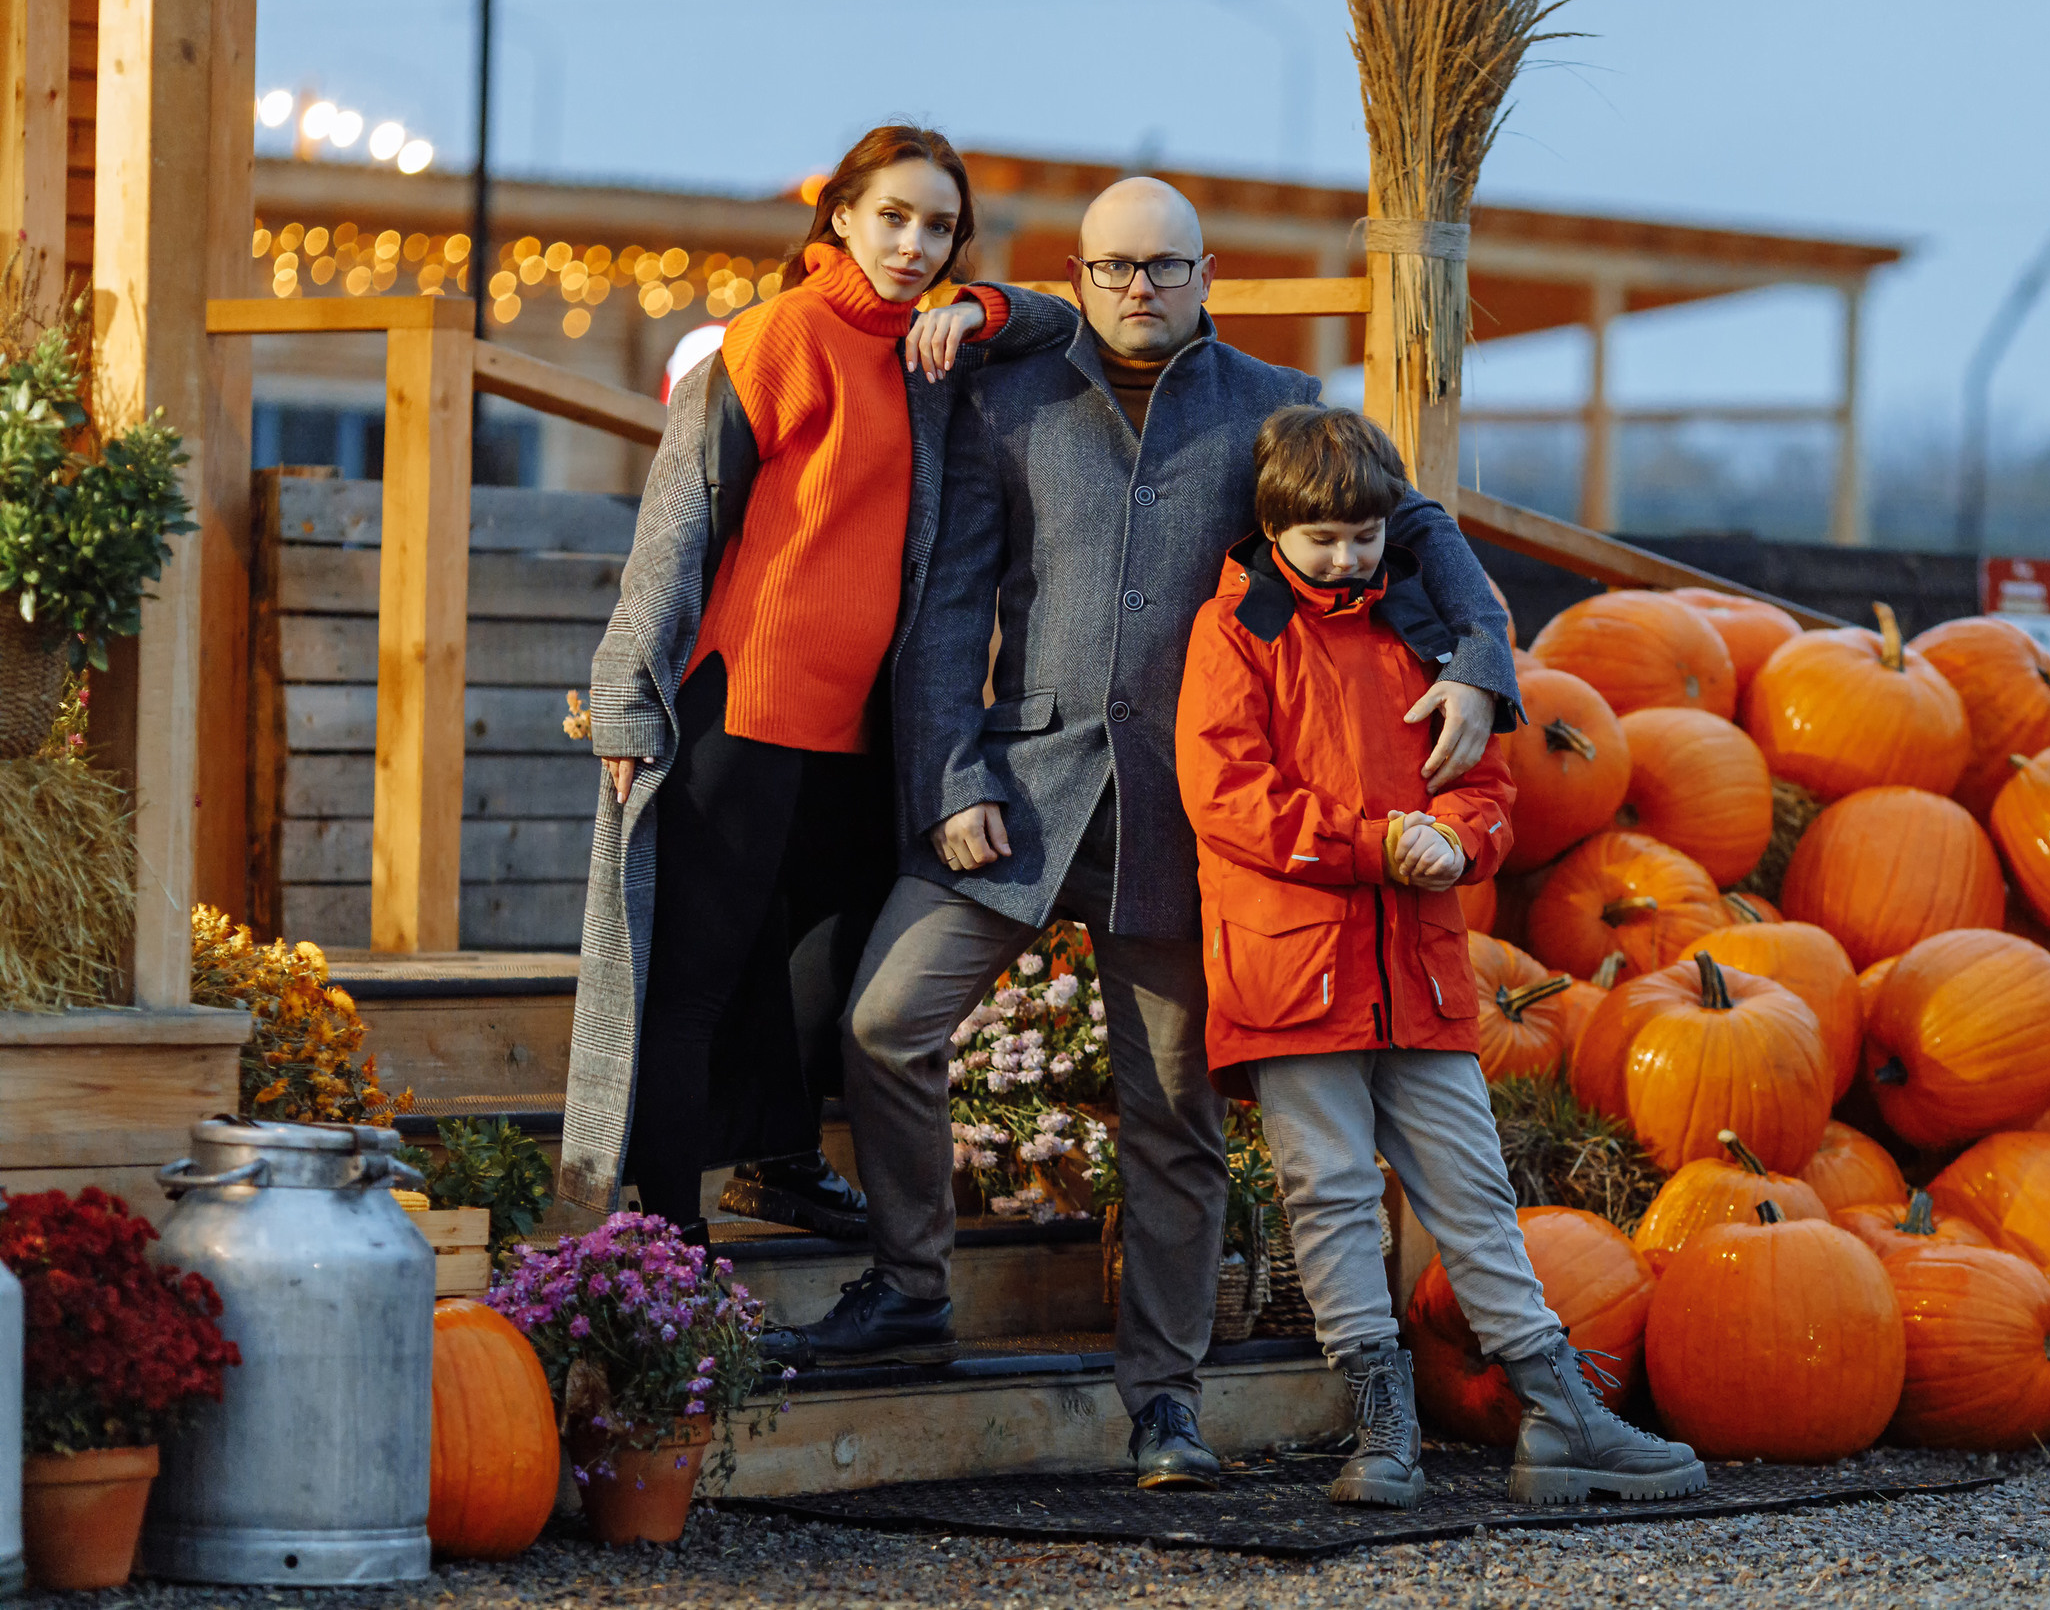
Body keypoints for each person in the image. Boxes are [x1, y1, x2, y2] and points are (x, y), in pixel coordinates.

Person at [763, 178, 1521, 1492]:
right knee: (886, 1018)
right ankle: (912, 1281)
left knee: (1170, 1117)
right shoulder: (1010, 393)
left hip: (1190, 816)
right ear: (1081, 271)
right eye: (1116, 267)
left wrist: (1480, 660)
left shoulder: (1272, 399)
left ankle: (1164, 1405)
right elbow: (949, 602)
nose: (1140, 288)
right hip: (1024, 790)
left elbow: (1416, 526)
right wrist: (950, 776)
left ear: (1204, 270)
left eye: (1166, 266)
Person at [1173, 404, 1706, 1510]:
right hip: (1294, 966)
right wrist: (1375, 843)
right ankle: (1380, 1430)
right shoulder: (1238, 632)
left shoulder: (1425, 625)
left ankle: (1559, 1420)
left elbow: (1485, 778)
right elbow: (1226, 796)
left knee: (1471, 1190)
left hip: (1415, 964)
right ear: (1274, 528)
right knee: (1325, 1197)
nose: (1347, 557)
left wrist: (1462, 838)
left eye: (1365, 535)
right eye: (1322, 540)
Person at [557, 126, 1079, 1235]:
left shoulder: (931, 351)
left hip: (861, 726)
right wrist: (624, 690)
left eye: (939, 227)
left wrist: (980, 309)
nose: (914, 245)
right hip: (743, 706)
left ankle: (779, 1163)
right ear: (839, 214)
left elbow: (1063, 319)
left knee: (820, 956)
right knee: (695, 980)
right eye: (892, 216)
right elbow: (676, 525)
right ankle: (663, 1236)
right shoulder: (779, 335)